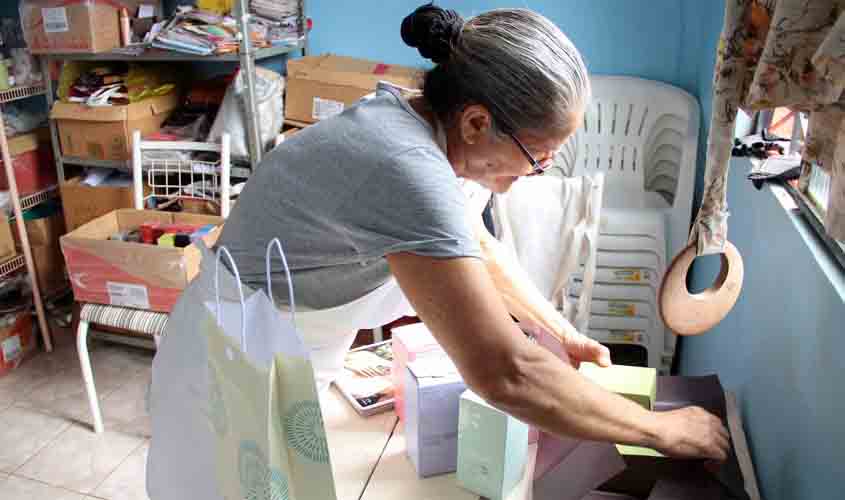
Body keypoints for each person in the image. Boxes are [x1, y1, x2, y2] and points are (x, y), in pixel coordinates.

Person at [222, 4, 729, 461]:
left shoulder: (435, 137)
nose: (528, 179)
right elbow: (506, 373)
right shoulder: (407, 167)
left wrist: (563, 334)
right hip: (239, 355)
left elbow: (476, 246)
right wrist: (663, 431)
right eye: (537, 160)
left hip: (300, 345)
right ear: (476, 122)